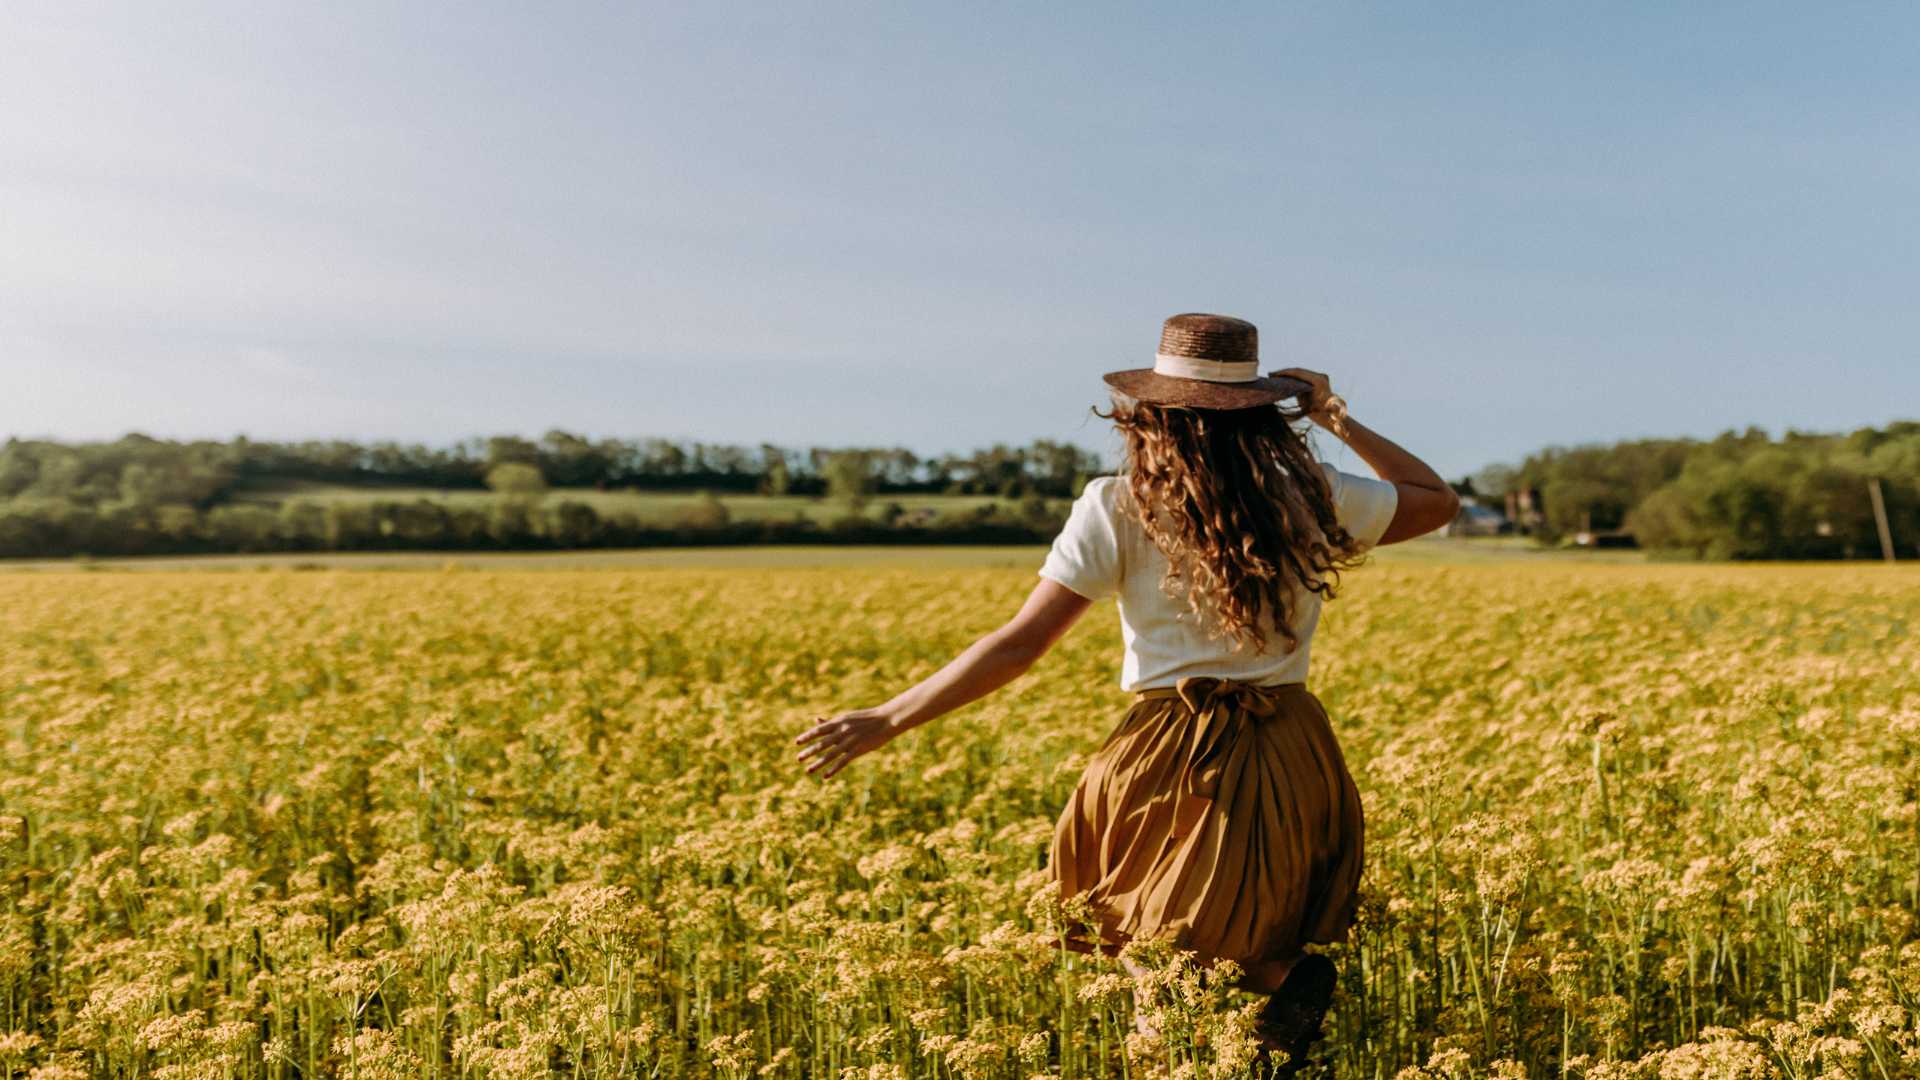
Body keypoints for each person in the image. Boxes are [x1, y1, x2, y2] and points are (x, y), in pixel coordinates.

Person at [793, 313, 1458, 1070]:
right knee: (1243, 928)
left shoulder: (1118, 503)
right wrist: (1334, 416)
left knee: (1154, 955)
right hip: (1289, 749)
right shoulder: (1313, 493)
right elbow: (1433, 498)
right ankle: (1278, 992)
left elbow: (1018, 645)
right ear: (1263, 414)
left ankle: (1258, 1010)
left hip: (1167, 758)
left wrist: (887, 717)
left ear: (1150, 412)